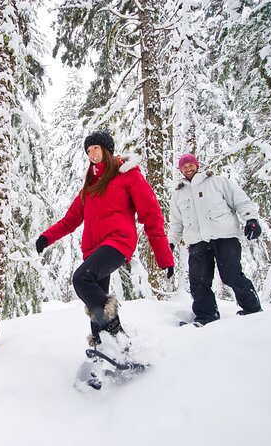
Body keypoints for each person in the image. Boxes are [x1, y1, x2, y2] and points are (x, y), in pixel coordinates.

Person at [35, 130, 174, 353]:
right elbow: (70, 220)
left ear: (107, 149)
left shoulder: (128, 176)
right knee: (94, 300)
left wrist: (163, 256)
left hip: (118, 242)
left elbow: (151, 215)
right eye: (88, 151)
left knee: (81, 278)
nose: (92, 154)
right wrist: (46, 237)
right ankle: (105, 353)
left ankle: (118, 334)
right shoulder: (89, 187)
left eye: (96, 148)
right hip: (94, 249)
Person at [169, 153, 263, 326]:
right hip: (197, 241)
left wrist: (251, 219)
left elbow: (240, 200)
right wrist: (170, 243)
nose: (188, 169)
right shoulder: (179, 194)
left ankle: (253, 310)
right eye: (184, 167)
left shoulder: (217, 182)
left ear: (197, 165)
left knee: (231, 275)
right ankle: (206, 317)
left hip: (224, 237)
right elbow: (176, 223)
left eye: (191, 165)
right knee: (198, 281)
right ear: (180, 170)